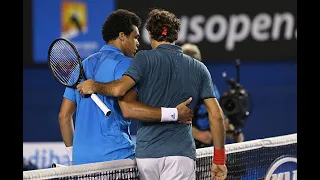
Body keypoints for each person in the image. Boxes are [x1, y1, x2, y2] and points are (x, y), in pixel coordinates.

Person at [76, 8, 227, 180]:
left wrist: (95, 86)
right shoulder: (199, 68)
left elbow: (120, 91)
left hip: (146, 157)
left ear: (150, 34)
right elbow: (216, 116)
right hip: (180, 154)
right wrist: (219, 159)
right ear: (175, 35)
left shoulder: (142, 60)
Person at [58, 9, 193, 166]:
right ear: (122, 36)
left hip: (81, 162)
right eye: (135, 37)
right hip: (116, 158)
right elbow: (129, 108)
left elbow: (63, 117)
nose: (137, 43)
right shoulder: (127, 63)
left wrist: (73, 157)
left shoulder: (83, 65)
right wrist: (174, 114)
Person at [181, 43, 244, 148]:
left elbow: (217, 114)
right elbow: (171, 119)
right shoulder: (175, 88)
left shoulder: (209, 85)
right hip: (184, 148)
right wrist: (197, 134)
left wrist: (230, 132)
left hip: (208, 147)